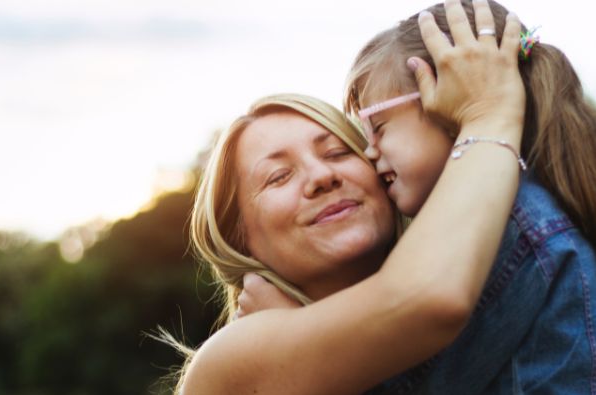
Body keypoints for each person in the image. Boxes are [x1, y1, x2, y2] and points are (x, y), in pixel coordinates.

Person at [172, 1, 528, 393]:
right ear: (239, 235)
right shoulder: (231, 356)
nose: (322, 176)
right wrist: (489, 117)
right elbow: (429, 299)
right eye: (278, 176)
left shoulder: (494, 291)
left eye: (338, 153)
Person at [243, 0, 596, 393]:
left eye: (377, 127)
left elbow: (415, 382)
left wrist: (294, 344)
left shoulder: (511, 230)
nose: (370, 151)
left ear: (452, 103)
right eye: (278, 176)